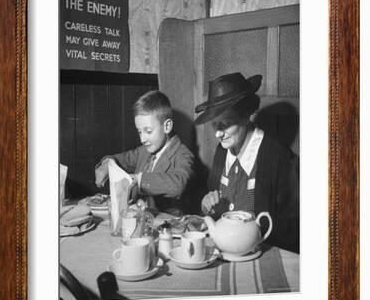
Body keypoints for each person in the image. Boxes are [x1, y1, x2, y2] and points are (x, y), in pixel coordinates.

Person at [195, 72, 299, 253]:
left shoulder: (278, 157)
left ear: (246, 116)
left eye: (226, 124)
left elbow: (294, 227)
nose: (218, 134)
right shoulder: (222, 151)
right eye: (215, 124)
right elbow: (214, 204)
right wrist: (207, 205)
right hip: (225, 250)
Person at [95, 90, 194, 215]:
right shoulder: (144, 151)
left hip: (166, 227)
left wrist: (139, 179)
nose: (142, 139)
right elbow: (119, 159)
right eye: (140, 131)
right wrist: (106, 164)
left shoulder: (183, 154)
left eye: (148, 131)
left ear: (167, 127)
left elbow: (178, 184)